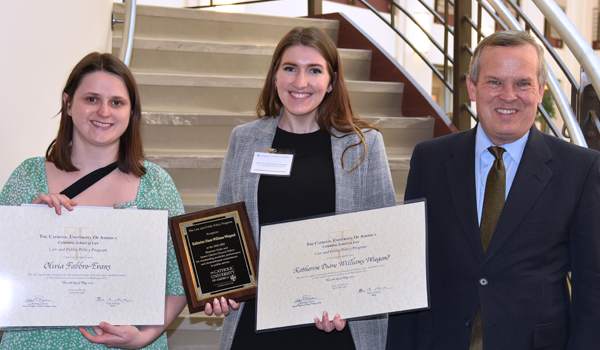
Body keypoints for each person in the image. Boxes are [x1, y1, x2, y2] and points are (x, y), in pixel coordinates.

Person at [387, 30, 600, 350]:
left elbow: (591, 292)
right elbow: (410, 273)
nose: (509, 95)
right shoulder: (429, 160)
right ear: (472, 87)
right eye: (495, 82)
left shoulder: (579, 169)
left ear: (541, 91)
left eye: (523, 83)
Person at [204, 27, 396, 350]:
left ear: (332, 81)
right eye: (290, 68)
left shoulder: (363, 145)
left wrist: (352, 301)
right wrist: (219, 286)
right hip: (256, 328)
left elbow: (381, 241)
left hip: (333, 329)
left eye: (315, 70)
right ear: (275, 75)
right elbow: (226, 226)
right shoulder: (244, 139)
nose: (300, 82)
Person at [0, 52, 187, 349]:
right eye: (91, 99)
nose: (104, 112)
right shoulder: (27, 177)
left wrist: (144, 337)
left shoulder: (157, 185)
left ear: (131, 111)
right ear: (68, 103)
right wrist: (24, 230)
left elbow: (179, 281)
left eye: (117, 102)